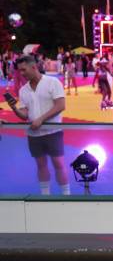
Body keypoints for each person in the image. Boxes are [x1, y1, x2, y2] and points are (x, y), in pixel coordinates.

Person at [5, 55, 70, 195]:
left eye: (23, 70)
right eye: (19, 71)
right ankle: (45, 196)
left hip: (53, 131)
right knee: (40, 165)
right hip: (34, 134)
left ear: (34, 67)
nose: (21, 74)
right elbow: (25, 114)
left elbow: (60, 105)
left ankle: (66, 195)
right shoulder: (23, 90)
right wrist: (15, 109)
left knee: (58, 164)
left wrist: (41, 119)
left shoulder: (53, 82)